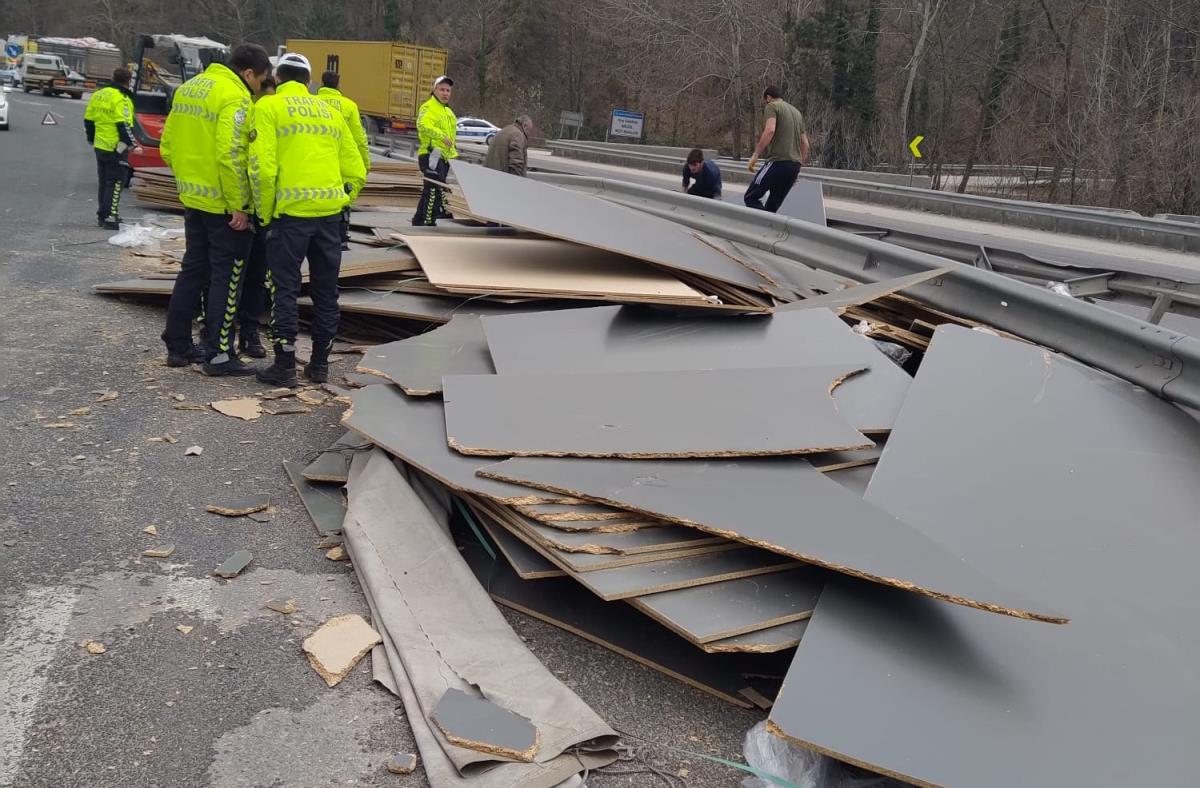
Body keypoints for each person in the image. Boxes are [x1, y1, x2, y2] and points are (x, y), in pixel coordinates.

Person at [249, 52, 367, 387]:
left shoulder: (268, 107)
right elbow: (356, 169)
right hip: (329, 218)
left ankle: (284, 366)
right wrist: (344, 199)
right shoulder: (330, 112)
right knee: (326, 293)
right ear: (308, 81)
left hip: (290, 218)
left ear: (280, 78)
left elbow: (262, 169)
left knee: (285, 289)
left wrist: (266, 213)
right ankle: (318, 366)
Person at [158, 43, 271, 373]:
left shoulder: (189, 88)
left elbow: (168, 146)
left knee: (193, 270)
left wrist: (190, 178)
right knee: (228, 276)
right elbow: (231, 155)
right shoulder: (234, 97)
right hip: (224, 204)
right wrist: (239, 205)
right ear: (248, 73)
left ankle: (178, 346)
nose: (258, 87)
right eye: (260, 80)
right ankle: (219, 353)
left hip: (193, 197)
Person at [235, 76, 276, 359]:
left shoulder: (275, 123)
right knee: (229, 277)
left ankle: (250, 332)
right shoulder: (243, 117)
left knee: (258, 277)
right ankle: (215, 334)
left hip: (265, 212)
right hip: (240, 209)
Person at [316, 70, 370, 250]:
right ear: (339, 85)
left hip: (319, 157)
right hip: (343, 160)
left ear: (321, 83)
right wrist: (364, 163)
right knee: (343, 197)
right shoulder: (349, 106)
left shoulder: (312, 102)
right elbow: (359, 138)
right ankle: (341, 236)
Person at [84, 68, 136, 229]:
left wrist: (92, 139)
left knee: (104, 181)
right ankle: (110, 217)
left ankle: (102, 214)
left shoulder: (99, 94)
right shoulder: (122, 99)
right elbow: (124, 125)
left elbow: (88, 120)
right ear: (128, 81)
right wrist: (132, 144)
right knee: (116, 183)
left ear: (113, 77)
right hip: (116, 147)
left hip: (100, 145)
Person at [744, 86, 810, 213]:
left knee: (750, 197)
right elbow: (805, 144)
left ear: (768, 97)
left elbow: (770, 130)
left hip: (777, 162)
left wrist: (756, 153)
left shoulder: (772, 106)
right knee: (772, 207)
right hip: (794, 166)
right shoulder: (797, 112)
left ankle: (761, 226)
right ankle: (766, 230)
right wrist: (798, 165)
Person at [411, 75, 457, 226]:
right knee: (433, 190)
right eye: (442, 89)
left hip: (443, 157)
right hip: (430, 155)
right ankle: (428, 222)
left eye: (448, 90)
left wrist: (452, 155)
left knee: (433, 188)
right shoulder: (428, 107)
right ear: (434, 90)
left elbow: (452, 137)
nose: (445, 93)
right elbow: (422, 125)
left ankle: (418, 219)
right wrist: (440, 135)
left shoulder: (448, 112)